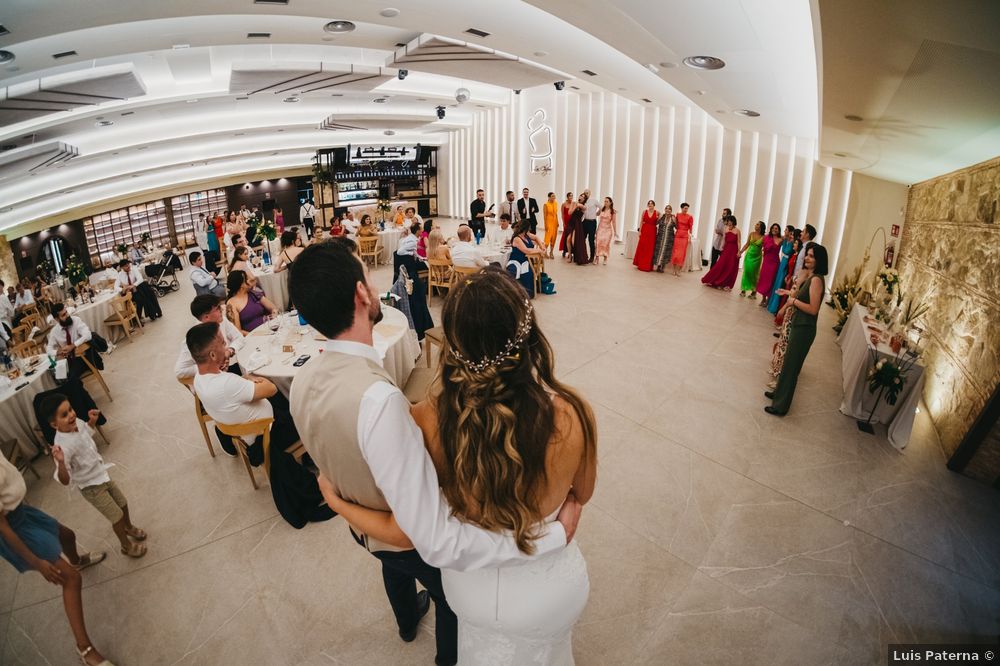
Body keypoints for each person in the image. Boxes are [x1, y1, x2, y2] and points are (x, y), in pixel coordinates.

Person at [286, 243, 585, 666]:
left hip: (364, 530)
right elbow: (429, 536)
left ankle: (406, 620)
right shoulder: (383, 403)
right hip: (397, 536)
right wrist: (552, 535)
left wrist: (338, 501)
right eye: (368, 278)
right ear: (360, 293)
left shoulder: (301, 380)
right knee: (450, 601)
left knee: (392, 569)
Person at [0, 454, 113, 666]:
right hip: (14, 529)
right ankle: (85, 649)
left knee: (67, 535)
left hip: (22, 513)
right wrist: (37, 562)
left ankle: (76, 559)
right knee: (71, 578)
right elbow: (3, 528)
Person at [44, 396, 148, 559]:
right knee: (116, 516)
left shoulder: (76, 422)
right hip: (91, 487)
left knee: (123, 503)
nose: (71, 415)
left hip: (101, 473)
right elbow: (65, 480)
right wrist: (61, 462)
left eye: (70, 409)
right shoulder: (62, 446)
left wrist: (91, 422)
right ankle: (126, 546)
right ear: (54, 424)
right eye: (64, 415)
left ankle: (128, 527)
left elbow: (85, 436)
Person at [765, 244, 828, 416]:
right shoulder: (812, 276)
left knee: (792, 368)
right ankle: (778, 393)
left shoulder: (816, 280)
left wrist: (793, 302)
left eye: (811, 256)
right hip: (799, 324)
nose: (807, 258)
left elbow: (813, 309)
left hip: (804, 328)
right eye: (807, 255)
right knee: (787, 364)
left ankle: (780, 406)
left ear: (819, 260)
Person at [175, 294, 244, 378]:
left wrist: (229, 351)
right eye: (218, 308)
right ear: (206, 317)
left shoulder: (221, 320)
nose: (222, 309)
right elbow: (180, 371)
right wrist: (211, 365)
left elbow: (239, 337)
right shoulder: (193, 339)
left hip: (231, 366)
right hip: (214, 377)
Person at [46, 303, 93, 379]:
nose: (67, 315)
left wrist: (73, 345)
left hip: (83, 357)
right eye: (63, 315)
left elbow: (88, 335)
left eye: (66, 312)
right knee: (57, 377)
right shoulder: (54, 331)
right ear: (57, 319)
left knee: (70, 377)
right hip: (68, 360)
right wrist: (58, 352)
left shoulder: (76, 320)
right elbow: (48, 349)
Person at [507, 217, 545, 298]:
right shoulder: (517, 238)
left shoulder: (526, 235)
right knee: (521, 272)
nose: (530, 230)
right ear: (525, 228)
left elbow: (536, 237)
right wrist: (539, 251)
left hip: (526, 260)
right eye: (529, 228)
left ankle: (528, 293)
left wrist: (542, 247)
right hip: (517, 260)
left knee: (529, 272)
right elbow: (526, 250)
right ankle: (518, 293)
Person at [226, 270, 275, 334]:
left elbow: (273, 308)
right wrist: (258, 335)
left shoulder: (253, 294)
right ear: (241, 285)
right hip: (253, 336)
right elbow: (238, 331)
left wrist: (274, 314)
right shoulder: (232, 303)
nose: (250, 280)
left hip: (269, 328)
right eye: (246, 279)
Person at [700, 215, 740, 290]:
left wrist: (739, 252)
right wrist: (722, 247)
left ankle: (725, 284)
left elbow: (738, 242)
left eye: (729, 221)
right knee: (720, 265)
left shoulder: (737, 230)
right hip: (726, 249)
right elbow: (724, 239)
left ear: (732, 221)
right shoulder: (726, 229)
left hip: (734, 250)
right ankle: (713, 280)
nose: (727, 222)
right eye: (727, 221)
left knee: (730, 267)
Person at [767, 226, 797, 313]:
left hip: (786, 264)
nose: (784, 231)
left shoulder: (792, 242)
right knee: (776, 283)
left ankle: (775, 306)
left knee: (780, 283)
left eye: (786, 230)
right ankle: (771, 303)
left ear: (791, 232)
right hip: (781, 263)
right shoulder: (784, 240)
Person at [755, 223, 783, 306]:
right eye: (773, 228)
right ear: (771, 229)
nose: (775, 230)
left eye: (776, 228)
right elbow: (763, 248)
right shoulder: (766, 237)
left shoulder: (781, 240)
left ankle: (768, 300)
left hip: (774, 262)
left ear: (779, 230)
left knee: (771, 281)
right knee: (764, 280)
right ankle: (763, 298)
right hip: (766, 261)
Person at [738, 221, 765, 297]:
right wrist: (741, 251)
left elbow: (765, 247)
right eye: (756, 224)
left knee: (754, 273)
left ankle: (754, 291)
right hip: (749, 255)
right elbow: (747, 244)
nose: (756, 225)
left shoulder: (764, 237)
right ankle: (743, 290)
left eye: (757, 224)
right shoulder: (751, 234)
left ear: (761, 227)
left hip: (757, 258)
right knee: (746, 271)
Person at [633, 200, 658, 272]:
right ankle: (640, 264)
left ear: (654, 205)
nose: (650, 205)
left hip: (652, 231)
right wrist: (640, 231)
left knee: (650, 248)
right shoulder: (644, 212)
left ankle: (647, 266)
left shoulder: (657, 213)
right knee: (642, 247)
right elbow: (641, 222)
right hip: (644, 230)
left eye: (651, 204)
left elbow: (660, 221)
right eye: (649, 204)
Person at [670, 202, 693, 276]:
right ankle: (673, 269)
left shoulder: (690, 217)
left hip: (684, 236)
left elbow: (691, 228)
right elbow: (675, 224)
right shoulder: (678, 215)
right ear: (682, 208)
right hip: (677, 235)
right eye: (685, 208)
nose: (686, 210)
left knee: (682, 254)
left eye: (687, 208)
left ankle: (679, 270)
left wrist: (690, 236)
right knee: (675, 253)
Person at [652, 204, 677, 272]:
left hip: (669, 238)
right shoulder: (662, 216)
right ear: (664, 210)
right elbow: (656, 223)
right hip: (660, 237)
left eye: (669, 209)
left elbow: (677, 227)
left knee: (666, 252)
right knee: (658, 251)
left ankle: (662, 266)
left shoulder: (673, 218)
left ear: (671, 211)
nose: (667, 210)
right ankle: (658, 266)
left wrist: (675, 221)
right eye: (666, 208)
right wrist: (658, 217)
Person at [594, 196, 617, 265]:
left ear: (610, 203)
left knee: (606, 244)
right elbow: (596, 214)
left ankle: (605, 258)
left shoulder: (613, 211)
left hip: (608, 230)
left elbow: (614, 222)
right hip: (600, 228)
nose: (605, 203)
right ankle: (597, 258)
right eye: (604, 201)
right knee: (598, 243)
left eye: (607, 201)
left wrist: (615, 232)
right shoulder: (602, 209)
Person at [581, 189, 600, 263]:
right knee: (582, 239)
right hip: (585, 222)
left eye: (587, 193)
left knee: (591, 240)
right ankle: (584, 255)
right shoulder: (583, 201)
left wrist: (598, 213)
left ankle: (592, 256)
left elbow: (601, 207)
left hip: (592, 222)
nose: (586, 194)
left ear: (590, 193)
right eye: (585, 193)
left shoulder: (594, 200)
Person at [541, 192, 559, 258]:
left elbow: (556, 214)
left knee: (554, 238)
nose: (554, 198)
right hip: (548, 222)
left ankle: (551, 252)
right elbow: (544, 216)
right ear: (549, 197)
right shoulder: (546, 204)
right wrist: (545, 225)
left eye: (554, 196)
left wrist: (557, 222)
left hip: (555, 223)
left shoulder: (556, 203)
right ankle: (544, 252)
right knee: (547, 238)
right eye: (552, 196)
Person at [559, 192, 574, 258]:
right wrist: (563, 223)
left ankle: (570, 252)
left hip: (572, 222)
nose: (571, 197)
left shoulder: (573, 204)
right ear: (567, 197)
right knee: (565, 236)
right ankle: (564, 251)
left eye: (572, 196)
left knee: (571, 237)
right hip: (566, 222)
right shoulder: (564, 204)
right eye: (570, 196)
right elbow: (562, 214)